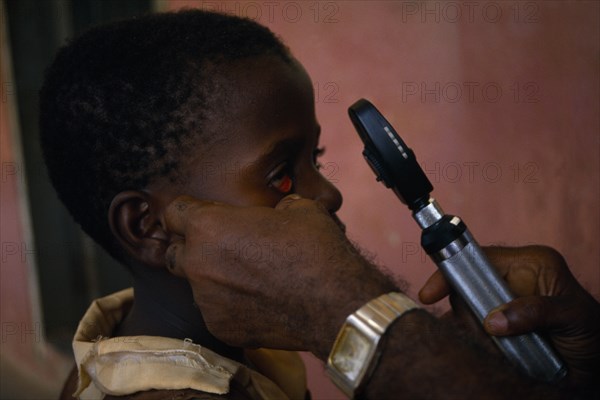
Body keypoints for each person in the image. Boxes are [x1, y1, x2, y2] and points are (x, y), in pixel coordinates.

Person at [38, 9, 598, 400]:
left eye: (317, 158)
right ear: (151, 228)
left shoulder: (247, 355)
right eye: (282, 175)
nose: (328, 194)